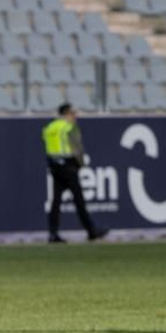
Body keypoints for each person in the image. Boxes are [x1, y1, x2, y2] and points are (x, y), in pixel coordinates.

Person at [42, 103, 105, 244]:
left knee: (55, 202)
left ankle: (53, 234)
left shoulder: (49, 128)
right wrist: (80, 165)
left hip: (55, 167)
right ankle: (91, 231)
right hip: (69, 167)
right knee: (79, 200)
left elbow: (46, 145)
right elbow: (77, 150)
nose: (75, 116)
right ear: (66, 114)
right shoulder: (69, 128)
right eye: (73, 113)